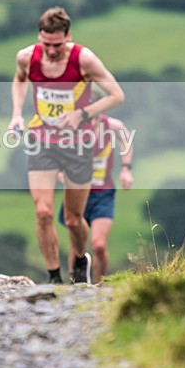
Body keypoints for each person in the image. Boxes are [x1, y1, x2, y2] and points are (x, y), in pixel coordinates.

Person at [7, 7, 124, 285]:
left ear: (68, 37)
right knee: (43, 211)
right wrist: (16, 114)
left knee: (73, 219)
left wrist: (82, 114)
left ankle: (80, 259)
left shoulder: (84, 60)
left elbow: (116, 95)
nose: (51, 51)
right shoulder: (27, 57)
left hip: (79, 145)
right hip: (42, 140)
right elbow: (20, 79)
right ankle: (54, 278)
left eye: (57, 45)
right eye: (46, 44)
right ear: (40, 36)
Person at [58, 91, 134, 284]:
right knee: (76, 247)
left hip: (103, 193)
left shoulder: (113, 126)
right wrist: (60, 171)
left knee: (99, 245)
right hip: (76, 191)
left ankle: (100, 287)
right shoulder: (71, 127)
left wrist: (126, 169)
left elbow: (126, 141)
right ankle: (76, 286)